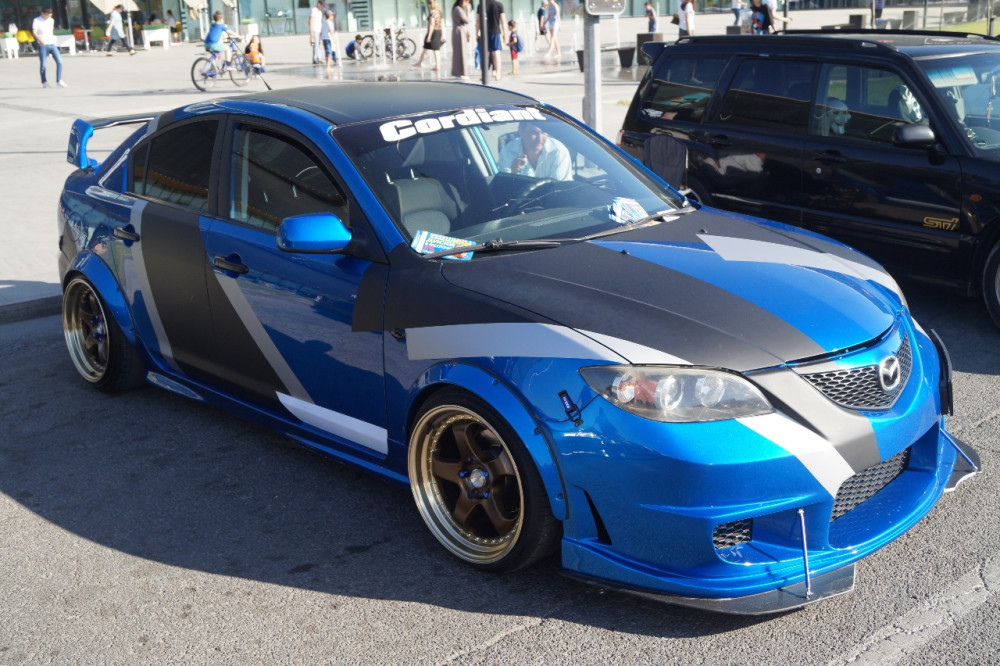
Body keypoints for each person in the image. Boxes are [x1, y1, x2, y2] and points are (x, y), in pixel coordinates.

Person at [498, 121, 572, 181]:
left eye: (543, 132)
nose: (539, 139)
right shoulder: (507, 152)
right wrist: (513, 174)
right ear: (520, 131)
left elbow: (560, 189)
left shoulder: (559, 152)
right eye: (534, 133)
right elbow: (504, 188)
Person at [32, 7, 65, 88]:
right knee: (43, 64)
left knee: (59, 61)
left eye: (50, 14)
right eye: (47, 14)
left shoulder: (51, 20)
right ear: (43, 13)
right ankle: (44, 82)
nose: (48, 16)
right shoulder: (37, 20)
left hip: (52, 44)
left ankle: (59, 80)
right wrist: (39, 40)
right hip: (43, 44)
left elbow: (50, 31)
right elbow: (34, 32)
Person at [477, 0, 506, 80]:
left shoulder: (481, 5)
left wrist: (476, 33)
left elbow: (478, 21)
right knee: (496, 53)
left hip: (484, 33)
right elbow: (503, 21)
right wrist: (505, 34)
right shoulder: (499, 5)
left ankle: (484, 75)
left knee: (485, 54)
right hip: (495, 32)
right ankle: (498, 74)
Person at [413, 0, 444, 71]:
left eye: (428, 4)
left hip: (433, 32)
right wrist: (442, 34)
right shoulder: (440, 12)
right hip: (439, 32)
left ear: (430, 4)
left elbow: (431, 25)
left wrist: (429, 36)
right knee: (434, 50)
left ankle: (421, 64)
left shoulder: (432, 12)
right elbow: (442, 24)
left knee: (428, 49)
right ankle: (435, 65)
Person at [451, 0, 472, 79]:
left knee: (458, 52)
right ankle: (462, 73)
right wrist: (468, 10)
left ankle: (458, 72)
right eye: (467, 2)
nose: (467, 4)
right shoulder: (458, 9)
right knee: (461, 52)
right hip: (459, 32)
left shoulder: (456, 9)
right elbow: (467, 20)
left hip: (458, 32)